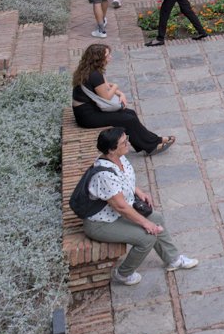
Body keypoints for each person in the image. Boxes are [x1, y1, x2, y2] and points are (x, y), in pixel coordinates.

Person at [81, 127, 197, 286]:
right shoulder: (104, 175)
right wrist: (145, 223)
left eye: (126, 138)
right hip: (100, 223)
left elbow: (123, 180)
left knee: (157, 218)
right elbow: (121, 207)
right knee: (146, 237)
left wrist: (138, 191)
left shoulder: (119, 158)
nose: (128, 143)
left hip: (114, 214)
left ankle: (173, 259)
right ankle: (123, 274)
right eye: (123, 142)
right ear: (111, 149)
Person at [71, 43, 174, 154]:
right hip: (87, 116)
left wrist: (120, 94)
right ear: (99, 58)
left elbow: (103, 87)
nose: (110, 57)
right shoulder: (95, 75)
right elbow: (106, 96)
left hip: (89, 109)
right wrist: (116, 86)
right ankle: (152, 145)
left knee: (130, 113)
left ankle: (150, 142)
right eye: (107, 55)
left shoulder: (89, 70)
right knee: (128, 119)